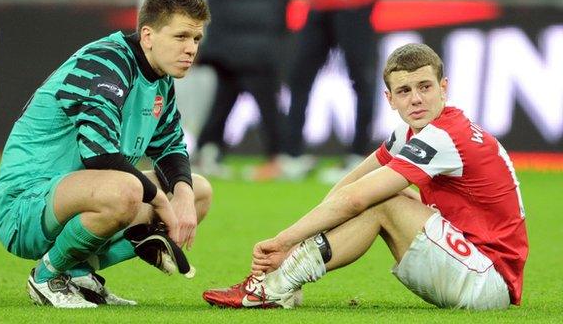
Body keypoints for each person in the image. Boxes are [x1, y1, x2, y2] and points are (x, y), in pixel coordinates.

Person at [203, 43, 528, 310]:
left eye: (425, 87)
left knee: (381, 202)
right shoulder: (411, 131)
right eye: (404, 90)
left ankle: (275, 286)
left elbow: (358, 198)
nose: (416, 98)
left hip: (488, 281)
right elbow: (349, 184)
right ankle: (282, 282)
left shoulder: (443, 135)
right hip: (474, 264)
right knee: (383, 196)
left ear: (444, 88)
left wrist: (283, 241)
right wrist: (297, 242)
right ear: (390, 99)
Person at [0, 0, 212, 308]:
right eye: (181, 37)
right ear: (148, 36)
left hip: (78, 196)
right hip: (23, 207)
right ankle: (46, 277)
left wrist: (184, 196)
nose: (191, 48)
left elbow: (171, 146)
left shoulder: (160, 77)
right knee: (126, 190)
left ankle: (80, 271)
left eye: (196, 39)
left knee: (199, 191)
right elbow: (100, 155)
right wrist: (162, 203)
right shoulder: (106, 62)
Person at [275, 0, 380, 183]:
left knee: (361, 78)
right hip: (322, 0)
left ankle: (358, 156)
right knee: (299, 76)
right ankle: (292, 156)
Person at [191, 0, 292, 180]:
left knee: (227, 100)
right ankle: (279, 157)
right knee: (263, 104)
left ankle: (207, 152)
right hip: (258, 46)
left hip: (230, 44)